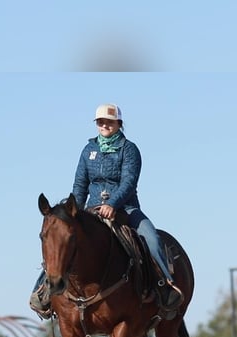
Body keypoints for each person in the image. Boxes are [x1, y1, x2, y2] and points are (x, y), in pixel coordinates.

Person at [29, 103, 183, 319]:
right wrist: (74, 213)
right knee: (61, 238)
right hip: (90, 210)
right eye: (100, 122)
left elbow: (129, 182)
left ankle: (164, 287)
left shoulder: (130, 149)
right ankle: (44, 290)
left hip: (126, 208)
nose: (104, 125)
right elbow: (80, 185)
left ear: (118, 123)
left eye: (109, 122)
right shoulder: (88, 150)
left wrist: (113, 204)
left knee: (151, 237)